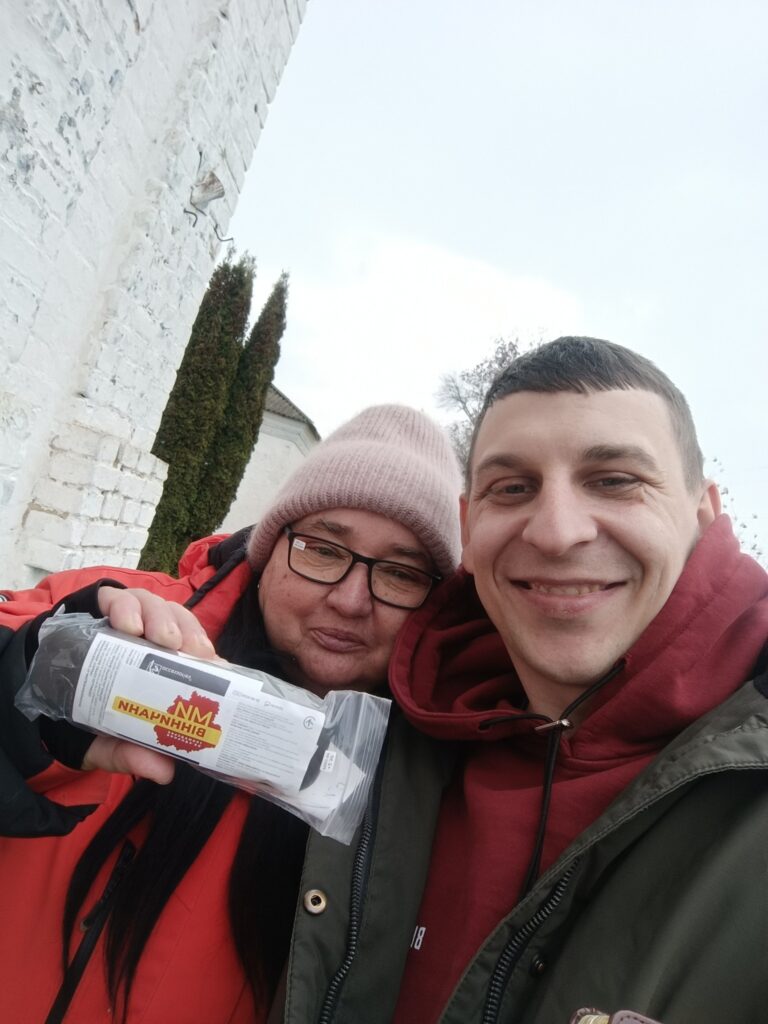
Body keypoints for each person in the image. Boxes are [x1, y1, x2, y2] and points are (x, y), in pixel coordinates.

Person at [269, 337, 768, 1024]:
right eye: (512, 488)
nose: (557, 532)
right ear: (469, 530)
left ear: (703, 514)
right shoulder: (386, 734)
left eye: (614, 480)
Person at [0, 404, 462, 1024]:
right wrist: (28, 685)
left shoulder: (432, 785)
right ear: (270, 550)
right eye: (323, 550)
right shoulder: (107, 619)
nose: (352, 600)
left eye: (401, 574)